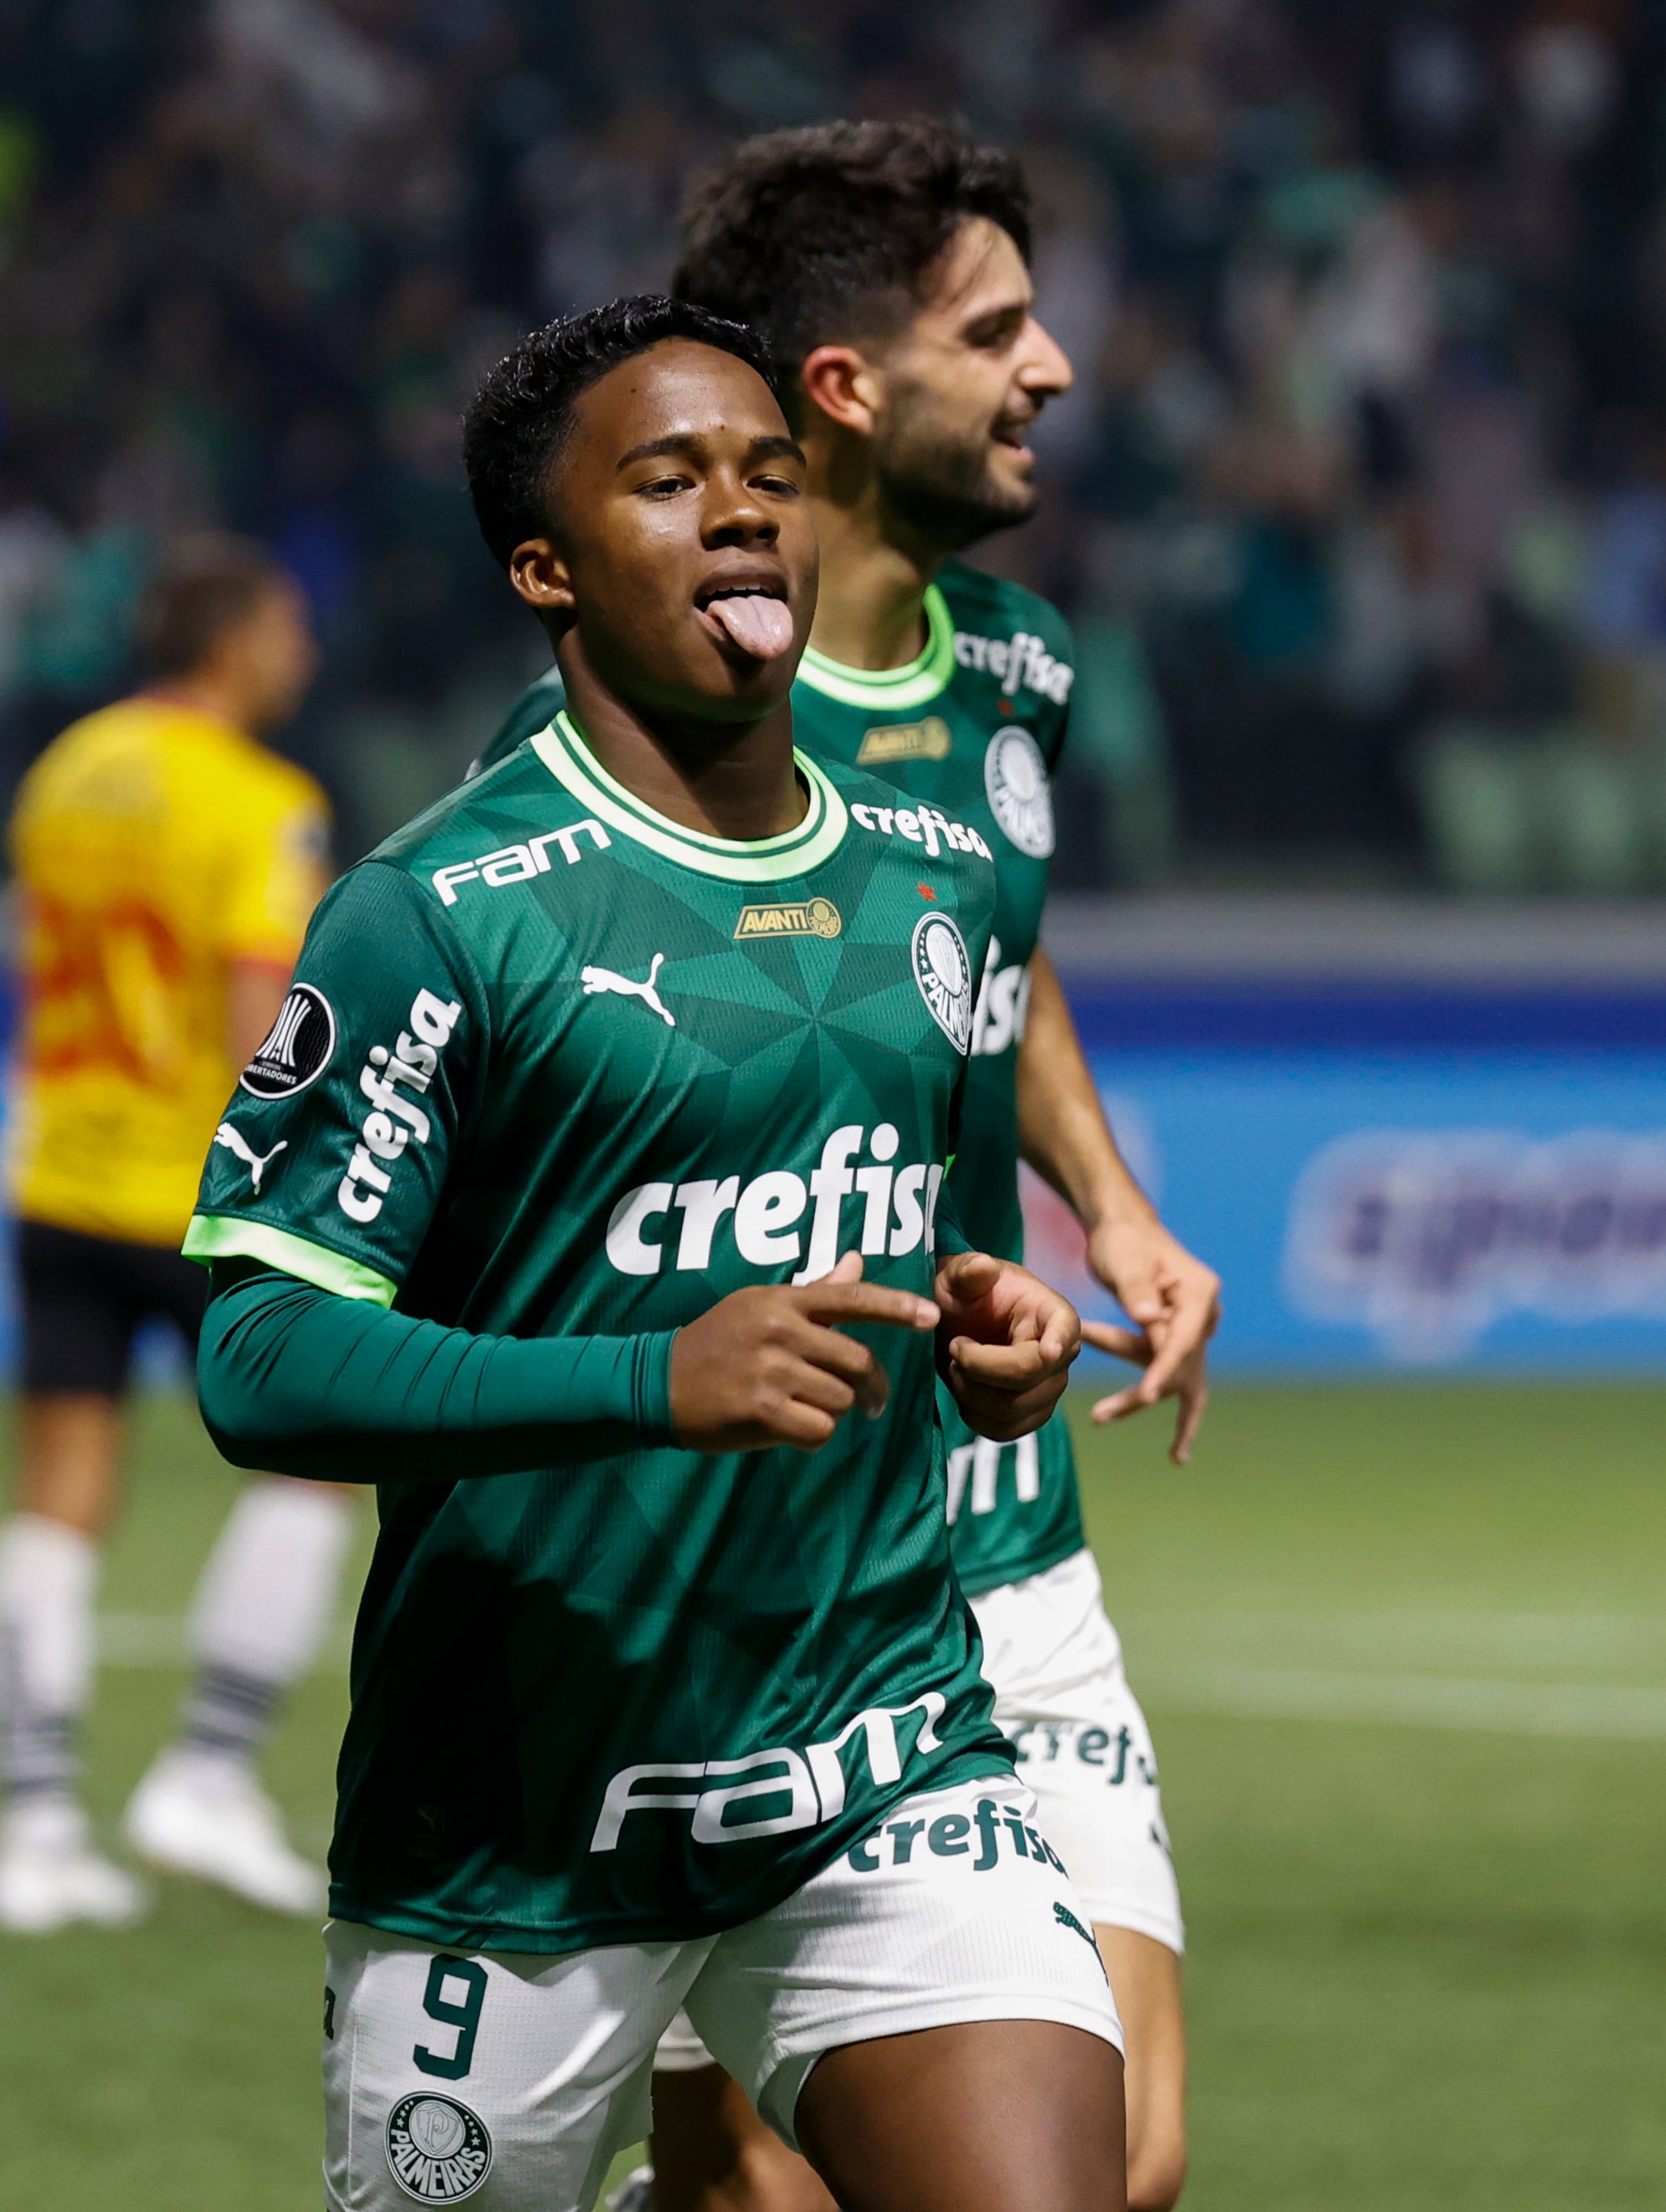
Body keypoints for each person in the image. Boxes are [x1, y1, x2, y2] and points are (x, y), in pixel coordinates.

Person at [189, 293, 1120, 2212]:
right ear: (547, 565)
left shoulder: (930, 874)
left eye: (768, 476)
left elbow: (923, 1248)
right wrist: (647, 1373)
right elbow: (257, 1355)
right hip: (519, 1822)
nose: (740, 514)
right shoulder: (432, 913)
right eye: (669, 479)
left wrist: (987, 1324)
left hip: (878, 1755)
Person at [470, 122, 1221, 2212]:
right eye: (996, 330)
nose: (1053, 366)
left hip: (1001, 1522)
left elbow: (996, 958)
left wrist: (1113, 1207)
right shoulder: (659, 736)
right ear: (841, 391)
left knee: (1130, 2160)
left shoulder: (1018, 675)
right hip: (758, 1576)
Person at [0, 533, 361, 1931]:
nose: (301, 657)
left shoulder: (65, 769)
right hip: (198, 1190)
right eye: (287, 631)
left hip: (56, 1175)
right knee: (320, 1469)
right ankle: (203, 1774)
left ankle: (32, 1828)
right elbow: (258, 1014)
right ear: (234, 643)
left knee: (57, 1503)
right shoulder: (261, 799)